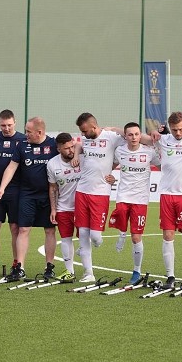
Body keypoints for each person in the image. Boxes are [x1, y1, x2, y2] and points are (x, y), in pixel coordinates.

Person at [0, 117, 58, 281]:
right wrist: (2, 187)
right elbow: (12, 167)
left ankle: (49, 266)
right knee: (23, 229)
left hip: (48, 196)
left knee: (50, 230)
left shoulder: (52, 145)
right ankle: (20, 267)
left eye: (29, 132)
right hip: (27, 195)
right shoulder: (22, 145)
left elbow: (72, 150)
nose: (26, 134)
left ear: (39, 132)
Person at [73, 112, 125, 283]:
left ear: (94, 127)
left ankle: (91, 244)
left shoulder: (110, 137)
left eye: (85, 131)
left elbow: (130, 137)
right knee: (83, 232)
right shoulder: (85, 139)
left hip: (101, 193)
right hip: (82, 191)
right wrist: (75, 154)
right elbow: (79, 145)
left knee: (96, 237)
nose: (83, 134)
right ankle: (88, 273)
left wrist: (114, 128)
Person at [152, 111, 182, 283]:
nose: (178, 133)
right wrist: (152, 133)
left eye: (181, 129)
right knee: (167, 234)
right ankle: (170, 276)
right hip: (167, 193)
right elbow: (135, 137)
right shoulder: (164, 139)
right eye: (174, 130)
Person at [108, 123, 161, 285]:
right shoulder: (120, 151)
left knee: (136, 236)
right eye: (130, 135)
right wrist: (109, 175)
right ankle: (122, 234)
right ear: (125, 136)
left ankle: (136, 270)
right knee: (121, 218)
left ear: (140, 135)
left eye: (137, 134)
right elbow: (110, 165)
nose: (134, 138)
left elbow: (164, 165)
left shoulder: (149, 152)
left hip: (140, 200)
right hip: (123, 195)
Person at [0, 109, 26, 276]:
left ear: (15, 122)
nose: (6, 128)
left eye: (9, 125)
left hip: (16, 189)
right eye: (3, 125)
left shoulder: (23, 139)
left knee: (15, 227)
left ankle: (16, 264)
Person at [47, 132, 81, 277]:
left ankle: (87, 269)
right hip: (63, 207)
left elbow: (82, 145)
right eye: (67, 148)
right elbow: (53, 187)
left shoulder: (82, 157)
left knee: (89, 236)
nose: (71, 150)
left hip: (82, 207)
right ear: (59, 148)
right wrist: (53, 209)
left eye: (72, 146)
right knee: (66, 238)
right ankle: (69, 271)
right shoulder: (52, 164)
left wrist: (77, 153)